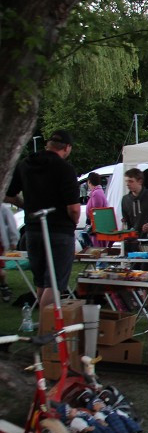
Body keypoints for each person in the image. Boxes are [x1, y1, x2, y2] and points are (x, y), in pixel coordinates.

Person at [4, 130, 80, 309]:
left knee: (41, 281)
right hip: (59, 230)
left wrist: (28, 207)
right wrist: (73, 222)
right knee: (54, 283)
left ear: (48, 144)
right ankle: (46, 331)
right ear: (67, 148)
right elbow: (74, 208)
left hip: (32, 230)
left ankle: (45, 326)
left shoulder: (26, 164)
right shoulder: (65, 169)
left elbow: (9, 195)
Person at [121, 168, 148, 233]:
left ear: (140, 181)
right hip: (134, 238)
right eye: (126, 181)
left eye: (131, 181)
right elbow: (126, 221)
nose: (127, 184)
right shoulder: (125, 199)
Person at [84, 171, 108, 246]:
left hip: (97, 229)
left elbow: (96, 212)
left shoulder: (96, 193)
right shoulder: (98, 192)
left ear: (89, 182)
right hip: (97, 227)